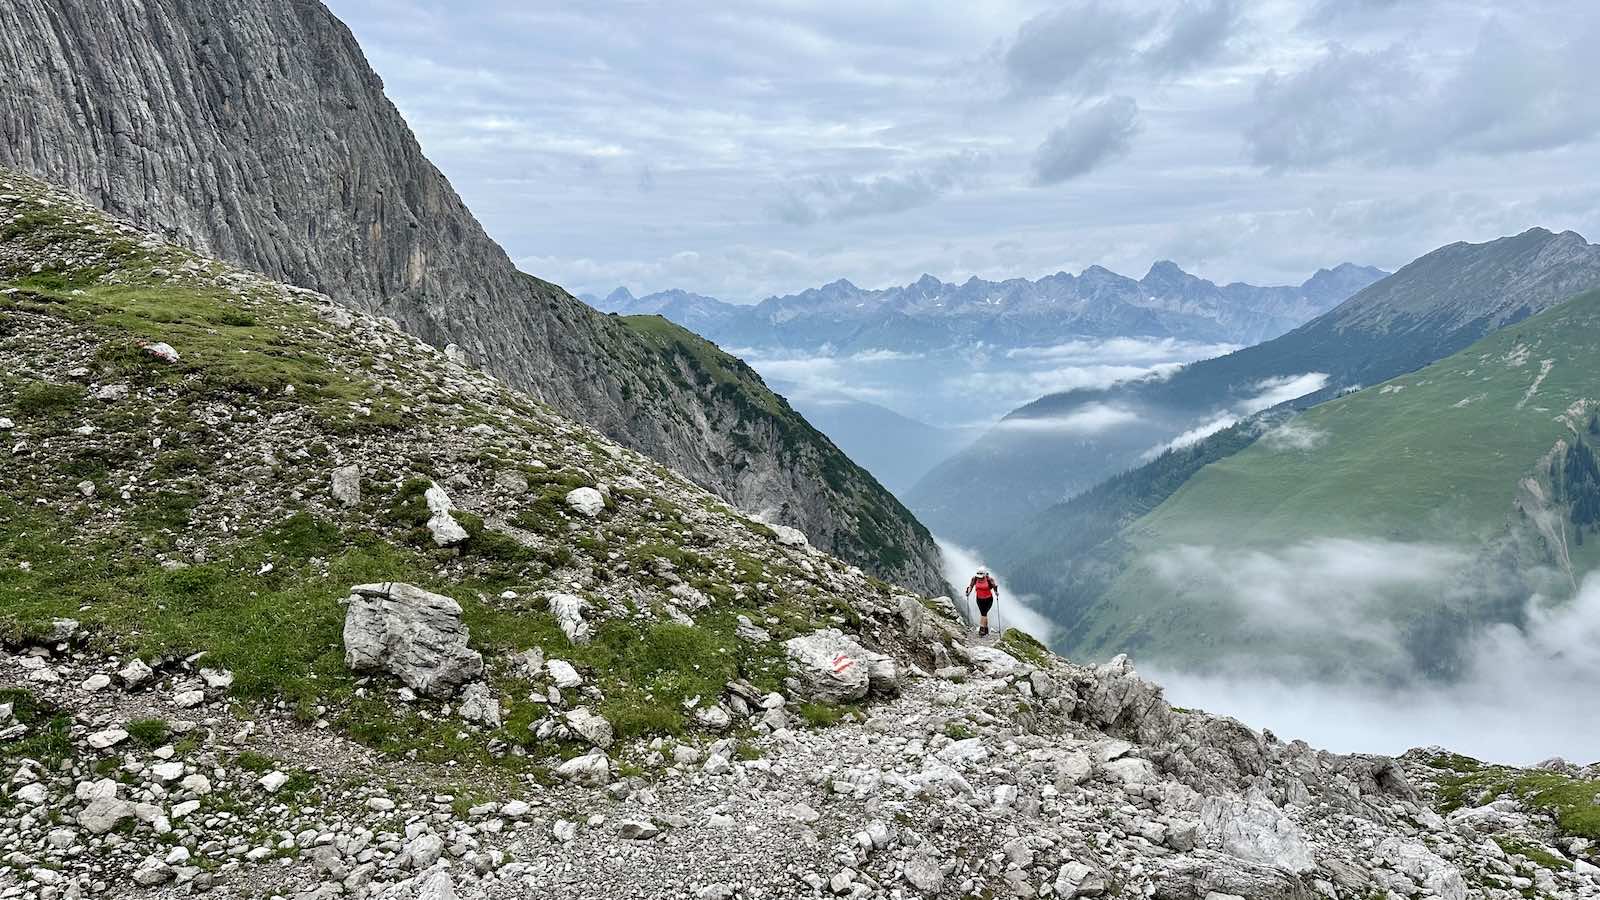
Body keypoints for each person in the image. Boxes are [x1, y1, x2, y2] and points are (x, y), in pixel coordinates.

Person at [965, 566, 999, 636]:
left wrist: (996, 592)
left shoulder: (989, 579)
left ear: (985, 574)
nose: (980, 577)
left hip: (988, 599)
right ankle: (986, 629)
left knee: (983, 613)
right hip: (979, 599)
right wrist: (968, 592)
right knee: (984, 614)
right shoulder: (975, 578)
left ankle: (981, 629)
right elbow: (971, 586)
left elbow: (994, 586)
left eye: (981, 575)